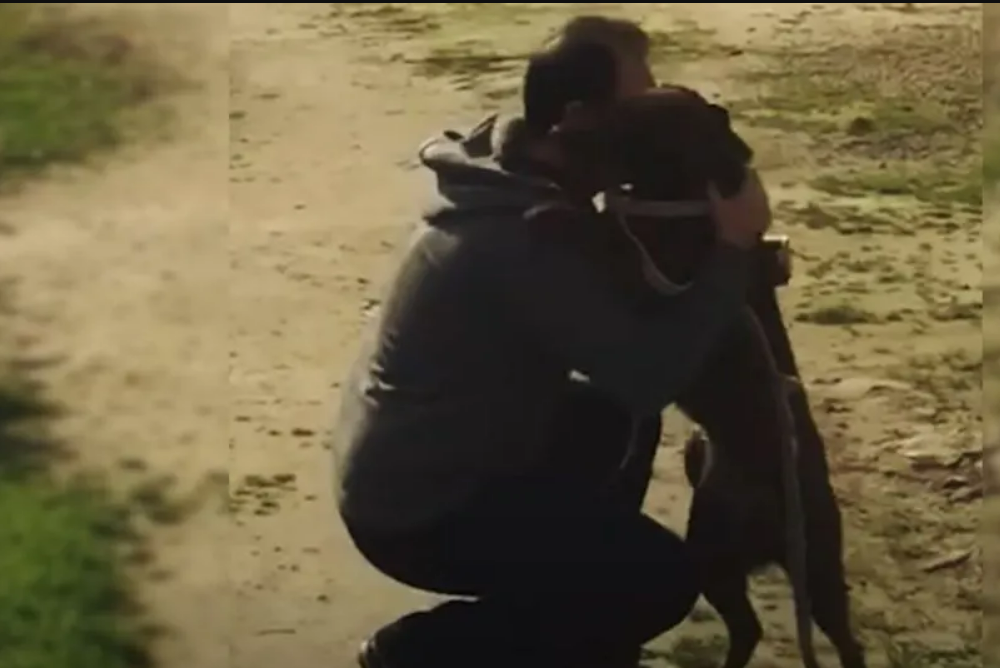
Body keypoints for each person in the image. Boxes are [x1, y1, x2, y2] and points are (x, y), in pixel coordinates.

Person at [331, 16, 773, 668]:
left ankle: (573, 614)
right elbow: (651, 375)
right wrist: (732, 253)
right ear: (578, 116)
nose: (655, 113)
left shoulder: (507, 179)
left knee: (613, 421)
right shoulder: (525, 236)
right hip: (419, 510)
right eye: (641, 100)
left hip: (417, 459)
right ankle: (421, 651)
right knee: (659, 579)